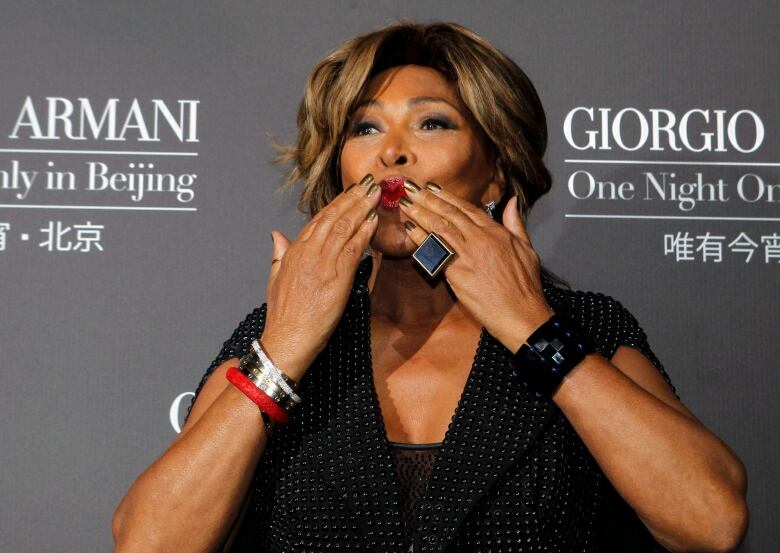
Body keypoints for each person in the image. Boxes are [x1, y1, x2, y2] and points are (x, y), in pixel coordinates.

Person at [112, 21, 748, 553]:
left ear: (497, 170)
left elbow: (711, 522)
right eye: (364, 128)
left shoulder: (585, 327)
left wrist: (531, 327)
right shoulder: (273, 335)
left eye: (432, 124)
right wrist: (285, 350)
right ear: (340, 170)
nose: (392, 154)